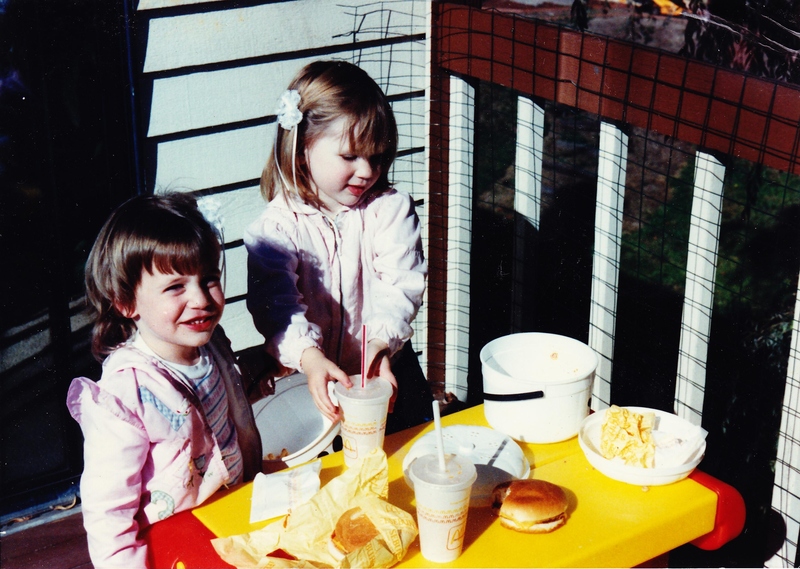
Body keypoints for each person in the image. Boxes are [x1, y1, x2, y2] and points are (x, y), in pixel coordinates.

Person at [66, 193, 262, 568]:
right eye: (176, 287)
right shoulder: (127, 393)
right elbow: (109, 512)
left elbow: (221, 400)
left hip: (232, 515)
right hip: (171, 543)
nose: (200, 299)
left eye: (209, 280)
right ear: (125, 302)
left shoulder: (211, 344)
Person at [245, 60, 432, 433]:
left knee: (406, 450)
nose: (366, 171)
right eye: (350, 156)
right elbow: (278, 308)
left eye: (376, 156)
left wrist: (379, 346)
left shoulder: (389, 209)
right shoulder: (276, 229)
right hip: (312, 376)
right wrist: (310, 357)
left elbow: (400, 284)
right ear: (302, 150)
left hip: (385, 366)